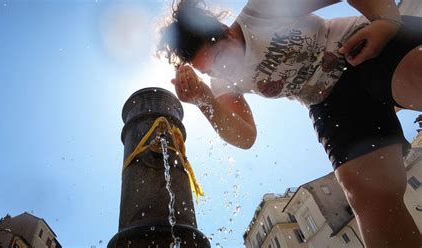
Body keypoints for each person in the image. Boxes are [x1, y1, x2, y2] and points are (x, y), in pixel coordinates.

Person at [157, 0, 422, 247]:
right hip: (330, 102)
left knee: (415, 75)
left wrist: (385, 21)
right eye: (210, 71)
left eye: (220, 59)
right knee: (367, 194)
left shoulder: (262, 11)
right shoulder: (222, 83)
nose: (222, 71)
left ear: (225, 31)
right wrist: (206, 101)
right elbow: (245, 137)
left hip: (359, 46)